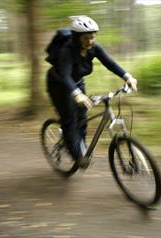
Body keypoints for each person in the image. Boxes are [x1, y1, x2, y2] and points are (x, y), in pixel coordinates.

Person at [46, 16, 138, 168]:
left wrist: (128, 77)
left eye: (92, 37)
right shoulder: (67, 51)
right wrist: (77, 95)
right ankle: (78, 157)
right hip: (59, 86)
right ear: (76, 37)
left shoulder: (94, 48)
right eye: (86, 38)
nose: (90, 41)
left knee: (82, 116)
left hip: (77, 83)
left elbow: (110, 63)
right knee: (70, 120)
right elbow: (65, 75)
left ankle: (80, 147)